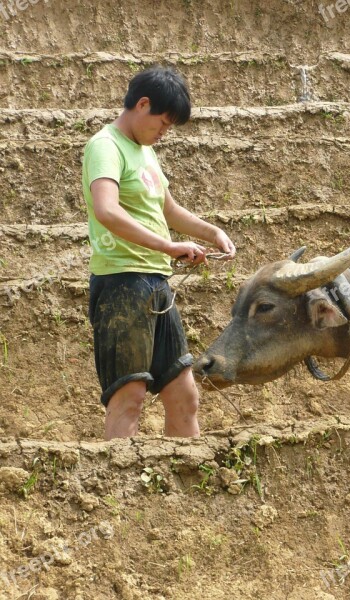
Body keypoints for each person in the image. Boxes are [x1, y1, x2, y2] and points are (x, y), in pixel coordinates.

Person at [82, 65, 236, 440]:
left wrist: (211, 231)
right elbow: (107, 210)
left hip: (155, 284)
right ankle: (120, 489)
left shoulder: (145, 151)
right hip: (122, 282)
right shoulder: (105, 145)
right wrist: (169, 246)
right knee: (129, 396)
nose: (164, 133)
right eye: (162, 123)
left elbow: (167, 210)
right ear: (142, 104)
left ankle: (184, 487)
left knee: (184, 393)